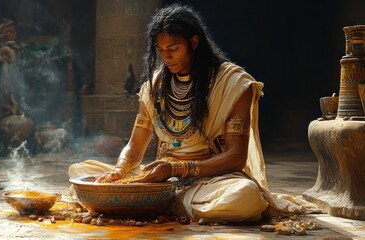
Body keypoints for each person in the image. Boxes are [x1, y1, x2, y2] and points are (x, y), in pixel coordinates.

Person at [69, 3, 317, 223]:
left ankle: (158, 203)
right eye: (161, 49)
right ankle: (161, 201)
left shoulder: (232, 83)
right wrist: (120, 171)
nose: (166, 57)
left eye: (174, 48)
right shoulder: (154, 87)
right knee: (80, 172)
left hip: (209, 181)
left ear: (194, 42)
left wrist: (177, 169)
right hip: (161, 182)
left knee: (245, 197)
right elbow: (135, 145)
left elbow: (236, 157)